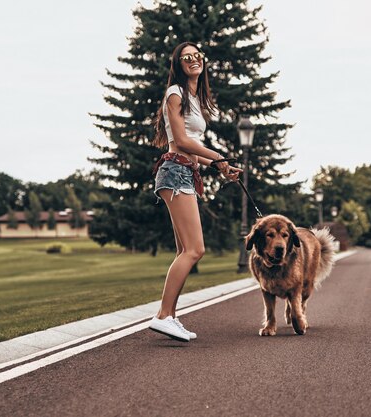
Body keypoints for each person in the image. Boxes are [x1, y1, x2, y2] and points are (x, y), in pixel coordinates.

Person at [148, 41, 242, 342]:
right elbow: (181, 141)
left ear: (203, 62)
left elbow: (192, 150)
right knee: (195, 250)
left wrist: (221, 167)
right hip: (175, 172)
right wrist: (219, 156)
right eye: (186, 57)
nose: (193, 59)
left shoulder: (193, 98)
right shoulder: (175, 93)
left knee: (183, 251)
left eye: (197, 55)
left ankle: (170, 316)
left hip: (184, 171)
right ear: (178, 63)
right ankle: (163, 315)